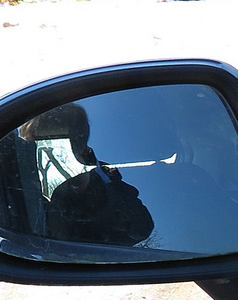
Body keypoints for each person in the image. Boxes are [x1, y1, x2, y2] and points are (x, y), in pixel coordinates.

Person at [18, 103, 154, 247]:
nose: (40, 157)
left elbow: (141, 228)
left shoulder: (106, 178)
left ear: (81, 147)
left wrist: (87, 191)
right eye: (31, 148)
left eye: (56, 145)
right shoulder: (16, 182)